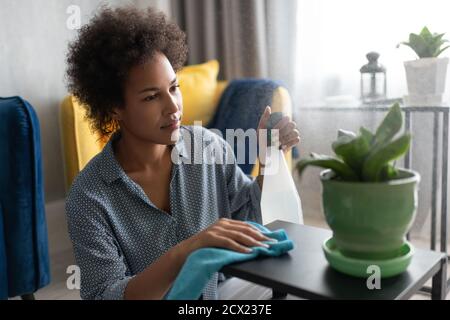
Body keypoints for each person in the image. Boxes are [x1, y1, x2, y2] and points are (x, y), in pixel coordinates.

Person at [65, 5, 301, 300]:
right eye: (152, 96)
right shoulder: (89, 197)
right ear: (114, 107)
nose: (173, 106)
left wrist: (269, 160)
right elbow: (106, 295)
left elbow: (251, 219)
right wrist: (187, 252)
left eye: (174, 87)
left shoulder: (208, 147)